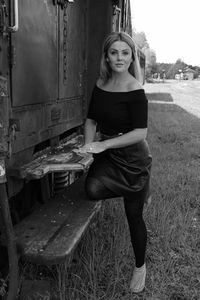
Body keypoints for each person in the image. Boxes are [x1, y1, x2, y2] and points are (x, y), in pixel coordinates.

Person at [77, 31, 152, 293]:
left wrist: (103, 145)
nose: (119, 58)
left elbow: (140, 133)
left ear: (132, 57)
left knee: (134, 216)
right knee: (92, 189)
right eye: (114, 52)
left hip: (132, 157)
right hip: (108, 153)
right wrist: (88, 150)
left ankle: (140, 267)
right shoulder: (101, 84)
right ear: (106, 57)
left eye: (125, 53)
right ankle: (137, 191)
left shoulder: (135, 89)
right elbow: (91, 121)